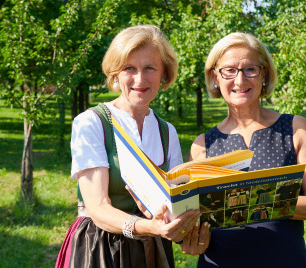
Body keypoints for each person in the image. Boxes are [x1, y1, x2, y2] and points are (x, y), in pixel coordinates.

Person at [55, 25, 201, 268]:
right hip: (100, 248)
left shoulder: (168, 132)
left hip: (153, 249)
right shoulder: (92, 122)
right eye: (129, 68)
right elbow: (98, 207)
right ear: (115, 73)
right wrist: (147, 226)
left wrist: (184, 225)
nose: (140, 79)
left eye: (150, 68)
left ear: (164, 73)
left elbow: (175, 202)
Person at [180, 32, 306, 266]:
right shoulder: (202, 145)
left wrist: (250, 199)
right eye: (229, 70)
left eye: (250, 69)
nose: (240, 81)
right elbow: (198, 224)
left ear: (264, 74)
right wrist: (190, 238)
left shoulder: (295, 129)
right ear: (215, 77)